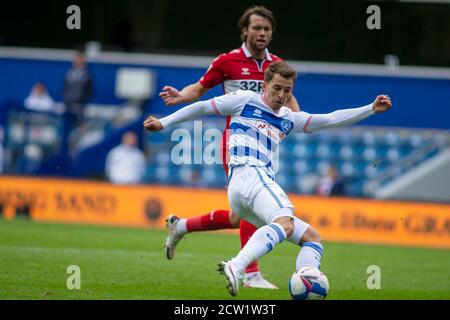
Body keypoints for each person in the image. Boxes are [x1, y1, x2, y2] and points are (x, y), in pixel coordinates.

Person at [144, 61, 392, 296]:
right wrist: (164, 123)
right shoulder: (245, 100)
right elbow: (202, 107)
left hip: (242, 187)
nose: (281, 95)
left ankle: (308, 276)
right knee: (284, 221)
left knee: (312, 239)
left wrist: (370, 109)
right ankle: (237, 266)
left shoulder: (288, 118)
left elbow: (329, 119)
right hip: (250, 173)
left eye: (287, 90)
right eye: (276, 88)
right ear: (264, 85)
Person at [158, 5, 300, 290]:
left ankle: (181, 226)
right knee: (254, 205)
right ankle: (251, 274)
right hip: (236, 142)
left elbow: (291, 105)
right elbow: (199, 90)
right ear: (244, 30)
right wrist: (180, 96)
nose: (262, 33)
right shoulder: (227, 61)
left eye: (267, 29)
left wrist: (289, 124)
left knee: (239, 216)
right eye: (257, 28)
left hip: (266, 143)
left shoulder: (277, 66)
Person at [63, 51, 93, 129]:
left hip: (80, 105)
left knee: (79, 126)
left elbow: (90, 90)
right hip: (68, 104)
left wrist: (82, 99)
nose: (76, 61)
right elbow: (65, 87)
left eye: (79, 59)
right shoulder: (69, 73)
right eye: (75, 59)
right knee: (67, 125)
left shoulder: (86, 74)